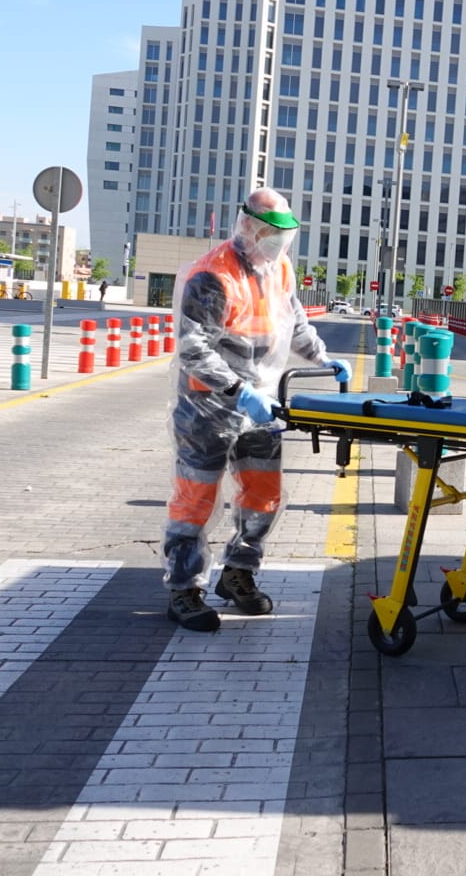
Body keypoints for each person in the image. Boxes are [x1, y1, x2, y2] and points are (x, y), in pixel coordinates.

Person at [162, 188, 351, 631]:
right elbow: (194, 351)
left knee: (263, 496)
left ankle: (238, 574)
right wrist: (239, 390)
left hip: (261, 407)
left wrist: (321, 357)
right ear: (247, 225)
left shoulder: (278, 267)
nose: (276, 244)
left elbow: (293, 319)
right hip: (206, 408)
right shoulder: (212, 276)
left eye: (282, 237)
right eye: (269, 233)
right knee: (195, 501)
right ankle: (184, 589)